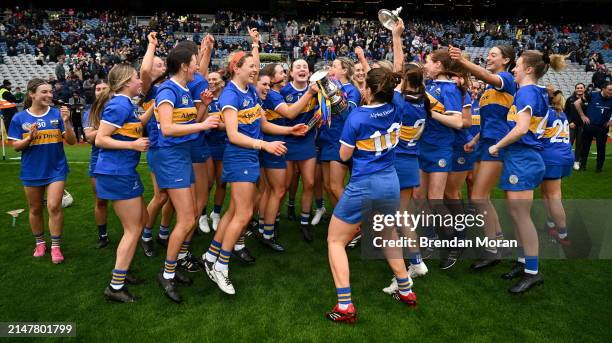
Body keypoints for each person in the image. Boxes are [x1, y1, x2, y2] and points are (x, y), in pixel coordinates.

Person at [202, 46, 307, 296]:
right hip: (239, 156)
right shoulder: (229, 96)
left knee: (234, 211)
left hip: (248, 156)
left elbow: (263, 123)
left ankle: (211, 254)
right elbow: (232, 134)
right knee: (245, 213)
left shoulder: (249, 91)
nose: (255, 71)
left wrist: (289, 131)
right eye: (251, 67)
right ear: (236, 69)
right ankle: (221, 266)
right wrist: (264, 145)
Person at [326, 67, 416, 324]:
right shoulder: (397, 103)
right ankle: (406, 290)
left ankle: (345, 306)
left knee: (335, 241)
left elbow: (343, 156)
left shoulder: (356, 117)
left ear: (369, 89)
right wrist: (396, 37)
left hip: (365, 184)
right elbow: (398, 75)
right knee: (388, 234)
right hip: (390, 181)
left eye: (364, 84)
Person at [488, 51, 567, 293]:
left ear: (529, 69)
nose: (513, 70)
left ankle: (533, 271)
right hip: (522, 159)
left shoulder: (527, 92)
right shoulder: (536, 92)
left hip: (523, 158)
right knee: (516, 214)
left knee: (521, 216)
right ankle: (524, 263)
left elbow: (521, 129)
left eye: (517, 66)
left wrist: (497, 145)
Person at [153, 47, 220, 303]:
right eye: (195, 63)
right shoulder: (168, 90)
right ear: (183, 65)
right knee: (186, 220)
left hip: (181, 156)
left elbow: (188, 124)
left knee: (190, 216)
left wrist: (202, 107)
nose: (197, 68)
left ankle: (175, 263)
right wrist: (203, 124)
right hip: (170, 158)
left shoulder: (183, 90)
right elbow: (168, 129)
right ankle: (167, 273)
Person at [449, 45, 517, 270]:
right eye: (488, 54)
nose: (488, 57)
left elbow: (484, 74)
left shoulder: (505, 78)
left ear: (506, 60)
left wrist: (463, 62)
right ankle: (497, 240)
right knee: (483, 197)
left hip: (496, 146)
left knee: (478, 197)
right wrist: (474, 140)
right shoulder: (489, 88)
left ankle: (492, 250)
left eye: (493, 55)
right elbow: (489, 121)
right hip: (485, 144)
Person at [90, 64, 153, 302]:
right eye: (137, 78)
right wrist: (133, 145)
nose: (140, 81)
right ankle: (115, 286)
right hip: (116, 172)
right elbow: (101, 140)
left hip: (124, 171)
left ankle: (122, 272)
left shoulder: (126, 104)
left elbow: (133, 125)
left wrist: (153, 109)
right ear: (127, 82)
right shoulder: (118, 104)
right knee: (133, 228)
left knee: (142, 221)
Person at [8, 78, 77, 264]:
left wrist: (67, 121)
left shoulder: (56, 115)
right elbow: (15, 146)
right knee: (35, 208)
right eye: (44, 92)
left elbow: (72, 141)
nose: (49, 95)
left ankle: (55, 247)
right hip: (32, 170)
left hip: (57, 168)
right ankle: (40, 243)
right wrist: (29, 138)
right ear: (32, 94)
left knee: (54, 206)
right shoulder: (19, 118)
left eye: (50, 92)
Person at [257, 62, 318, 251]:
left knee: (294, 185)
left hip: (291, 138)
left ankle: (268, 227)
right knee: (277, 189)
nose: (283, 75)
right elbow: (290, 114)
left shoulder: (276, 91)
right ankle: (268, 229)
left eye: (305, 66)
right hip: (281, 140)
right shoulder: (278, 93)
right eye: (282, 72)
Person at [418, 48, 464, 270]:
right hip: (423, 146)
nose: (425, 64)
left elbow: (457, 122)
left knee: (435, 199)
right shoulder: (430, 85)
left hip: (440, 149)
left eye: (428, 61)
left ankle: (453, 241)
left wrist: (429, 112)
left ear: (438, 65)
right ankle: (430, 238)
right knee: (421, 198)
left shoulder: (450, 89)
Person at [281, 59, 319, 241]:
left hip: (307, 140)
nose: (302, 69)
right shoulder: (283, 91)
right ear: (291, 73)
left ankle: (304, 222)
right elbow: (286, 115)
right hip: (288, 140)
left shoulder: (318, 90)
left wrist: (311, 125)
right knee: (285, 184)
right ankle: (277, 217)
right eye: (298, 67)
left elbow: (321, 113)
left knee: (309, 182)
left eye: (305, 66)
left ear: (309, 72)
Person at [139, 31, 169, 258]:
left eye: (162, 64)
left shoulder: (172, 87)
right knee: (160, 196)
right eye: (158, 64)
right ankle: (146, 235)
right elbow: (144, 71)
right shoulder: (151, 89)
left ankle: (164, 233)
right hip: (159, 148)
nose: (160, 67)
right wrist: (151, 46)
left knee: (173, 197)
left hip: (176, 147)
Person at [540, 87, 573, 246]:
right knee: (547, 192)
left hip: (550, 157)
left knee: (553, 196)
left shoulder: (546, 113)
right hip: (564, 154)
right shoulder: (562, 112)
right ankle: (551, 224)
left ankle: (563, 233)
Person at [83, 80, 112, 248]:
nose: (100, 91)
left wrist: (98, 129)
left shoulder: (119, 108)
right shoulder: (90, 111)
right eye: (97, 89)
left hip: (118, 157)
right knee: (100, 201)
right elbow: (89, 137)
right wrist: (111, 125)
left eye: (103, 88)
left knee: (122, 199)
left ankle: (132, 231)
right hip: (98, 159)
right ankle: (103, 235)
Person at [203, 71, 227, 232]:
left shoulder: (228, 98)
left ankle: (216, 213)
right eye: (209, 79)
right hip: (207, 144)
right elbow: (201, 121)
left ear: (222, 82)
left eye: (215, 79)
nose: (211, 82)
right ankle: (202, 215)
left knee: (222, 182)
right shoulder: (204, 99)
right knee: (208, 183)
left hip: (224, 143)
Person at [575, 82, 612, 172]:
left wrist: (611, 120)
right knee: (585, 147)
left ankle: (599, 168)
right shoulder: (592, 95)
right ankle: (582, 166)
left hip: (602, 127)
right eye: (610, 90)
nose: (611, 92)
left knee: (601, 148)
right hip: (589, 126)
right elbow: (577, 103)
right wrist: (583, 116)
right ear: (603, 89)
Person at [564, 83, 586, 170]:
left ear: (584, 89)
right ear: (575, 89)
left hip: (583, 126)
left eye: (581, 88)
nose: (579, 89)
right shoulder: (570, 99)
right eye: (578, 88)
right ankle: (567, 161)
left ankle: (576, 162)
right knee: (569, 144)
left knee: (580, 144)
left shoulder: (588, 99)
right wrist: (569, 122)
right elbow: (566, 112)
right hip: (572, 126)